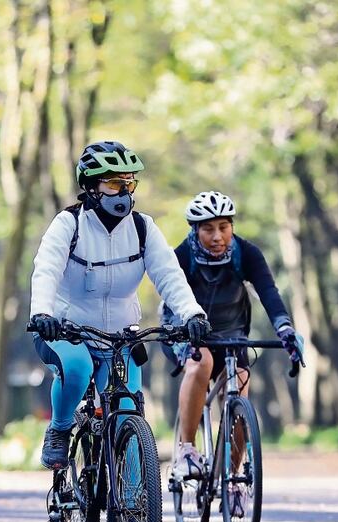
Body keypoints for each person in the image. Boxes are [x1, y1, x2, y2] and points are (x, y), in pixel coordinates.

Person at [28, 141, 210, 471]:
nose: (123, 192)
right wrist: (42, 313)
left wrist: (192, 313)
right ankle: (60, 428)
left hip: (120, 336)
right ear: (91, 188)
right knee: (79, 368)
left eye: (128, 183)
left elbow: (168, 274)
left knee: (128, 410)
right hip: (68, 330)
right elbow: (47, 269)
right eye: (114, 183)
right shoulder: (68, 225)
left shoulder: (143, 228)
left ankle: (135, 505)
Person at [162, 191, 303, 479]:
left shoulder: (246, 253)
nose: (217, 237)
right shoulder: (182, 256)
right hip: (187, 330)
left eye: (224, 227)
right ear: (195, 229)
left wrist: (285, 329)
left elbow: (269, 293)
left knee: (239, 392)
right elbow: (172, 298)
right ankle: (186, 450)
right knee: (200, 363)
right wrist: (188, 328)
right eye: (208, 229)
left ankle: (234, 478)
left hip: (232, 334)